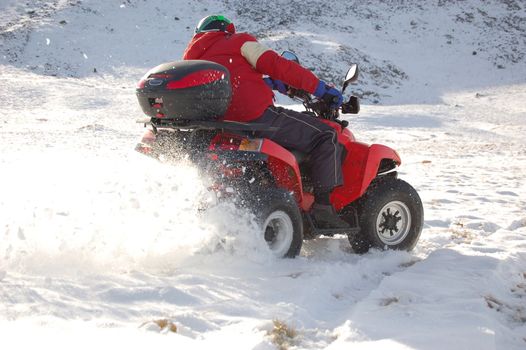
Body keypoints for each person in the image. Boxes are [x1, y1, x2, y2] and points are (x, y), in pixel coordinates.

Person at [183, 15, 349, 229]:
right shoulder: (238, 42)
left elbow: (231, 79)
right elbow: (280, 66)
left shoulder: (192, 56)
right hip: (253, 117)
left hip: (218, 124)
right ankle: (324, 208)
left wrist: (269, 83)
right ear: (228, 30)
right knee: (326, 135)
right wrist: (321, 90)